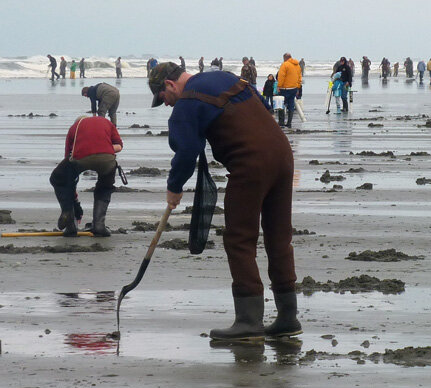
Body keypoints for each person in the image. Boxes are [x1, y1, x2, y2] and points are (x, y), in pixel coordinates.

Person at [147, 62, 301, 342]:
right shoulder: (227, 78)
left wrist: (174, 187)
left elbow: (187, 150)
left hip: (250, 162)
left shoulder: (188, 101)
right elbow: (263, 107)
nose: (167, 105)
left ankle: (249, 321)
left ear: (169, 85)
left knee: (239, 238)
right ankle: (288, 318)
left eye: (163, 99)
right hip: (283, 154)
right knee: (279, 237)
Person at [49, 116, 123, 237]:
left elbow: (68, 156)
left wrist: (75, 201)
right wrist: (103, 148)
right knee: (104, 187)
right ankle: (99, 225)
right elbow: (119, 146)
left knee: (58, 178)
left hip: (80, 157)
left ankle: (70, 221)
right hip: (107, 158)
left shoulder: (75, 127)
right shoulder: (107, 122)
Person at [277, 52, 302, 128]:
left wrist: (279, 86)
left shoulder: (285, 64)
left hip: (284, 88)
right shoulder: (297, 65)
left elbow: (281, 76)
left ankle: (281, 122)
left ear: (285, 58)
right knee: (291, 105)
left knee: (281, 104)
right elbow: (299, 77)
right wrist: (298, 87)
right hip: (294, 88)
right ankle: (289, 122)